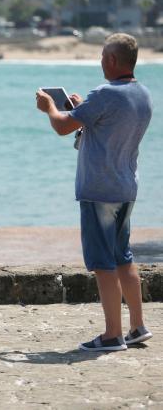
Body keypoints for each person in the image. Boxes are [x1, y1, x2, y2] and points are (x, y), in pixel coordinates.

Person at [36, 33, 153, 352]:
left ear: (113, 61)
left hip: (99, 190)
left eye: (103, 56)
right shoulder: (142, 94)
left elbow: (62, 127)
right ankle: (137, 326)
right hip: (126, 187)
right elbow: (106, 126)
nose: (100, 61)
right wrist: (80, 108)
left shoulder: (103, 93)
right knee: (123, 257)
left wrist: (50, 107)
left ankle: (112, 334)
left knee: (103, 263)